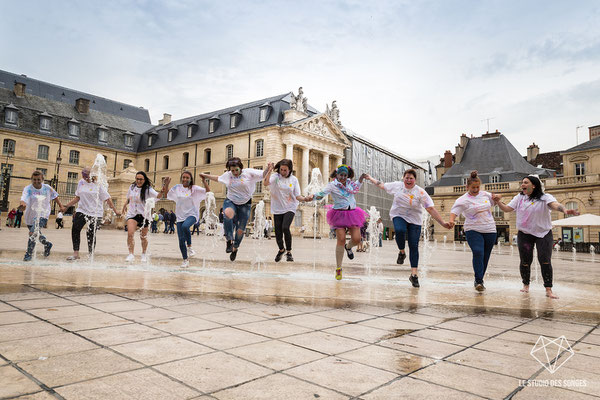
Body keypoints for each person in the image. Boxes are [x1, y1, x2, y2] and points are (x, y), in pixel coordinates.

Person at [495, 175, 579, 299]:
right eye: (522, 183)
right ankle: (526, 285)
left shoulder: (545, 197)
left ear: (534, 185)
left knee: (545, 260)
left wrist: (565, 210)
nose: (522, 185)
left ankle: (548, 289)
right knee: (525, 261)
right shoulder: (519, 198)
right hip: (525, 234)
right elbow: (507, 209)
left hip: (543, 233)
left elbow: (555, 205)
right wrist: (497, 202)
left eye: (525, 182)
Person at [365, 170, 451, 287]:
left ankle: (414, 275)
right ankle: (402, 252)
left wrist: (442, 223)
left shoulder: (420, 192)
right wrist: (370, 178)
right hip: (398, 215)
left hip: (415, 220)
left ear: (415, 180)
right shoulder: (397, 186)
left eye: (411, 178)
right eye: (406, 178)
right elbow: (381, 184)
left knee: (414, 246)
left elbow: (430, 209)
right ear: (403, 178)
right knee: (400, 230)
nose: (408, 180)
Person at [200, 157, 270, 261]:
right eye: (232, 170)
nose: (234, 173)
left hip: (245, 204)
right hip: (231, 201)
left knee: (240, 230)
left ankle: (235, 248)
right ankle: (229, 240)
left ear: (240, 168)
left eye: (236, 170)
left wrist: (269, 168)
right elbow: (218, 178)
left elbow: (263, 174)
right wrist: (205, 176)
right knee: (227, 214)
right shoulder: (228, 175)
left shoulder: (249, 173)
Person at [312, 164, 367, 280]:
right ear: (336, 175)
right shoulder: (332, 185)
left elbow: (357, 186)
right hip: (339, 214)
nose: (342, 177)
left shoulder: (350, 184)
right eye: (341, 175)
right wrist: (310, 197)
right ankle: (338, 268)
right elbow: (322, 193)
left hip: (352, 213)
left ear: (347, 176)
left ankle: (348, 247)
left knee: (357, 239)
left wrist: (361, 178)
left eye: (345, 175)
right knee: (340, 239)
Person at [448, 171, 498, 292]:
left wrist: (497, 197)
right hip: (473, 229)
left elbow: (494, 200)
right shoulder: (462, 200)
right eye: (473, 187)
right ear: (467, 187)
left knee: (485, 256)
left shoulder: (485, 194)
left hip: (490, 229)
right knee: (478, 252)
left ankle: (479, 279)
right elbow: (454, 211)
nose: (476, 190)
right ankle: (479, 281)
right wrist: (451, 221)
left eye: (477, 187)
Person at [61, 167, 120, 261]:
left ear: (91, 174)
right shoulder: (81, 182)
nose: (84, 176)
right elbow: (77, 198)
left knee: (91, 233)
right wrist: (66, 206)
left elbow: (107, 199)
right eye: (83, 174)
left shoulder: (98, 185)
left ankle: (91, 255)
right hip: (82, 210)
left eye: (85, 174)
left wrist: (115, 211)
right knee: (75, 230)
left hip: (95, 213)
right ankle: (76, 253)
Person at [263, 159, 311, 262]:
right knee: (278, 232)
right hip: (277, 207)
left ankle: (289, 252)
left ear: (290, 170)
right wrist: (270, 170)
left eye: (285, 170)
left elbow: (298, 196)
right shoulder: (276, 177)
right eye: (281, 170)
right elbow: (265, 183)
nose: (283, 172)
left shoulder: (294, 180)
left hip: (290, 207)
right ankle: (281, 250)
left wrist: (305, 199)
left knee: (285, 227)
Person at [164, 171, 209, 268]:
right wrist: (167, 184)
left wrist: (204, 181)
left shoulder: (195, 189)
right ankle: (185, 260)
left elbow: (208, 192)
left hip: (192, 215)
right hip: (180, 216)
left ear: (191, 179)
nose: (185, 179)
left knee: (185, 226)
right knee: (180, 240)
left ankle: (190, 247)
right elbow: (167, 195)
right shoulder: (177, 188)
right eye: (183, 177)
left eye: (187, 178)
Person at [121, 171, 168, 262]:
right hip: (132, 214)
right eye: (137, 179)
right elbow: (128, 198)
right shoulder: (132, 187)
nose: (138, 181)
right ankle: (131, 254)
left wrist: (162, 190)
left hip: (144, 215)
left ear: (144, 179)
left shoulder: (148, 189)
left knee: (143, 236)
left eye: (140, 179)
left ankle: (143, 253)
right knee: (130, 233)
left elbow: (157, 196)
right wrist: (124, 206)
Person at [20, 170, 65, 261]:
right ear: (31, 179)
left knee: (33, 233)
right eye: (34, 180)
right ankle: (47, 244)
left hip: (43, 214)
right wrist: (22, 204)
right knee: (36, 234)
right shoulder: (28, 188)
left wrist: (61, 205)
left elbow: (55, 196)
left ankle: (28, 254)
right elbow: (23, 198)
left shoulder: (47, 188)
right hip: (30, 215)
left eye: (38, 180)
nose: (36, 182)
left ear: (42, 179)